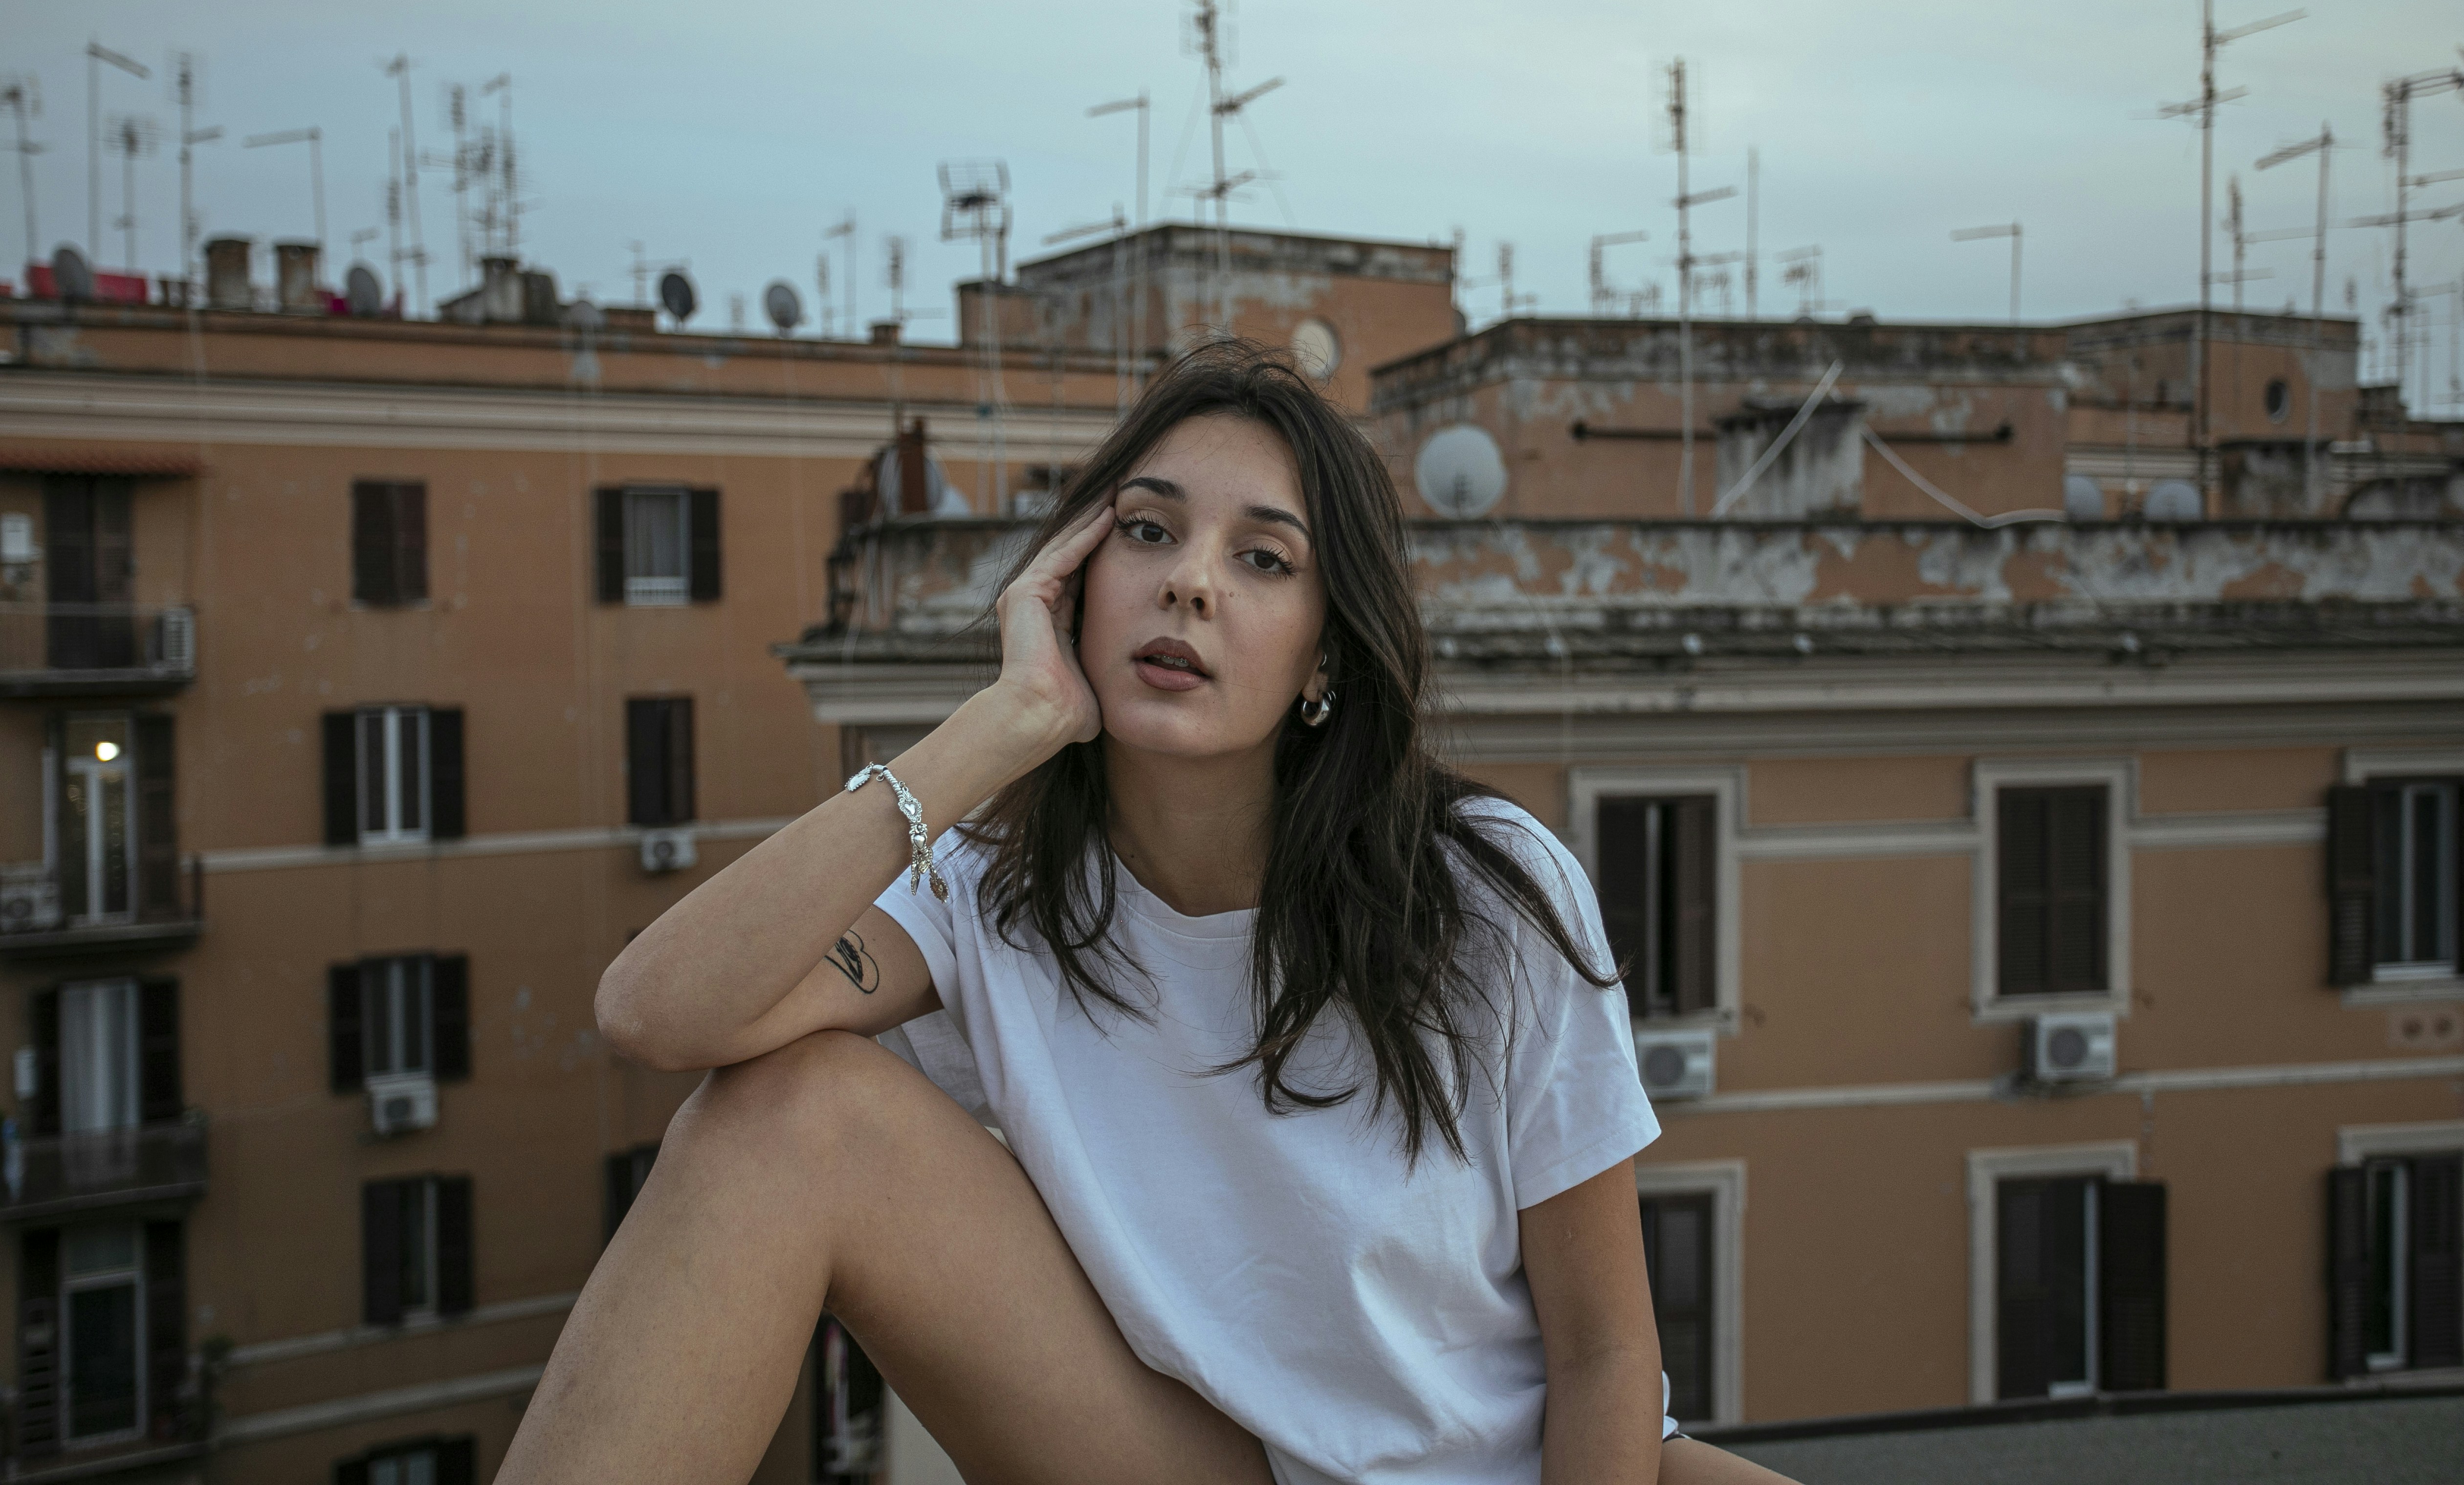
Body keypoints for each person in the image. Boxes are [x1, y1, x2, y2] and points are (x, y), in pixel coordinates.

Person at [501, 343, 1795, 1485]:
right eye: (1149, 532)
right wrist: (997, 729)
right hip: (1188, 1462)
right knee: (784, 1114)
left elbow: (1609, 1349)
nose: (1191, 585)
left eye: (1263, 559)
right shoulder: (991, 885)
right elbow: (655, 1013)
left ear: (1325, 657)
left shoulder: (1482, 892)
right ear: (1073, 579)